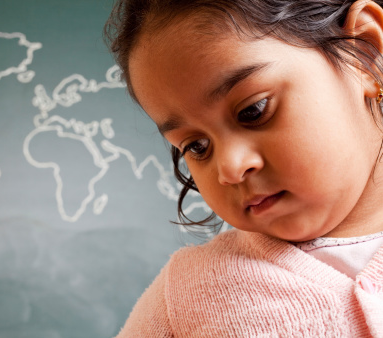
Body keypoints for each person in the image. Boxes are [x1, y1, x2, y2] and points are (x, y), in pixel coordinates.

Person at [104, 0, 383, 336]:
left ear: (363, 53)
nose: (230, 169)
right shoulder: (185, 298)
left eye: (253, 110)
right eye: (197, 146)